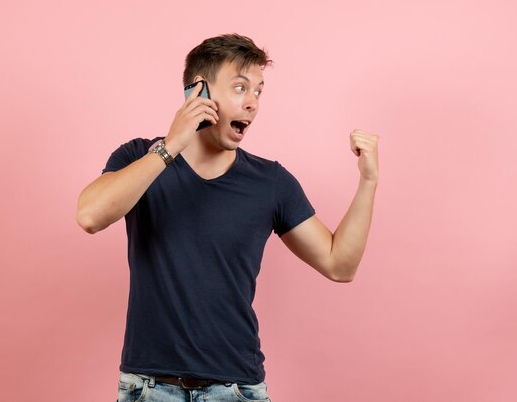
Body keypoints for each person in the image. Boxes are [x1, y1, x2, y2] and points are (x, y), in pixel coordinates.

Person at [76, 34, 379, 402]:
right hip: (149, 388)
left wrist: (367, 181)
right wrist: (171, 145)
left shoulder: (271, 182)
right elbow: (90, 216)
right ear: (198, 93)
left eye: (259, 92)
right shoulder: (139, 157)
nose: (252, 103)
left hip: (236, 390)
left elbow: (339, 264)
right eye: (240, 88)